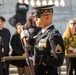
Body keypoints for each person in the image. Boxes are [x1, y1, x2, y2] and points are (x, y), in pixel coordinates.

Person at [22, 5, 65, 75]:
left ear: (48, 17)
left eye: (37, 17)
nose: (35, 19)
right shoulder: (41, 33)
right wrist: (28, 38)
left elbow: (58, 60)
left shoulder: (54, 35)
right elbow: (36, 44)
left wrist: (38, 59)